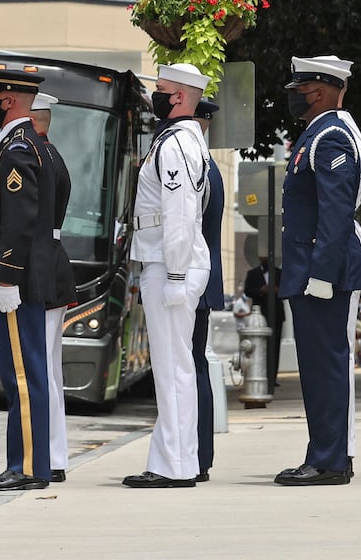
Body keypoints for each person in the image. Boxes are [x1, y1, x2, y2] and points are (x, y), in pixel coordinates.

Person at [274, 55, 361, 487]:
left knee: (325, 367)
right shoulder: (320, 134)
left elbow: (335, 212)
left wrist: (322, 274)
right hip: (313, 265)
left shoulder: (329, 137)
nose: (296, 98)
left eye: (301, 91)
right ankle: (329, 454)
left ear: (322, 91)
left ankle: (328, 460)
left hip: (319, 268)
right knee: (319, 368)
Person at [123, 63, 212, 490]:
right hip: (168, 261)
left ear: (178, 97)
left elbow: (179, 216)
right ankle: (176, 460)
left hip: (171, 262)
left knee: (172, 368)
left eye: (160, 89)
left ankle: (173, 466)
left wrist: (175, 273)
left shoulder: (176, 145)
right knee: (174, 368)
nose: (155, 95)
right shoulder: (181, 141)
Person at [0, 68, 59, 492]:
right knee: (28, 374)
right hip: (27, 278)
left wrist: (6, 277)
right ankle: (33, 465)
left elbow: (19, 222)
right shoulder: (31, 146)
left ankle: (24, 468)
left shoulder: (17, 150)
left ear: (7, 100)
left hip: (18, 282)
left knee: (21, 376)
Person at [28, 92, 76, 483]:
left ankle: (46, 456)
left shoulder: (35, 156)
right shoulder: (53, 154)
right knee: (50, 370)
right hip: (53, 261)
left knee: (40, 369)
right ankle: (54, 454)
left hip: (39, 267)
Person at [192, 98, 226, 482]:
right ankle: (200, 454)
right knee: (195, 363)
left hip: (194, 279)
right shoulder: (209, 164)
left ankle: (197, 454)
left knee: (192, 366)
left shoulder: (198, 164)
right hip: (204, 278)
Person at [242, 253, 283, 388]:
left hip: (276, 315)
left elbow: (287, 290)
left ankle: (273, 377)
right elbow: (247, 291)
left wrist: (278, 291)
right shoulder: (252, 273)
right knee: (259, 346)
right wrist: (261, 290)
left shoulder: (279, 273)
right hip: (260, 314)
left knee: (275, 347)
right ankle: (260, 374)